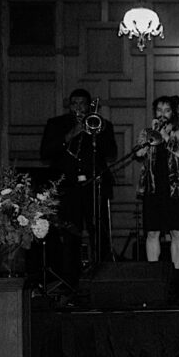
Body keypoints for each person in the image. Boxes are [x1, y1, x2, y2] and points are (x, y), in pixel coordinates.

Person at [39, 88, 117, 286]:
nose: (78, 108)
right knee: (70, 235)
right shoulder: (56, 124)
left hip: (94, 187)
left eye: (82, 104)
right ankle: (70, 282)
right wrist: (70, 135)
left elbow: (111, 153)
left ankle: (103, 279)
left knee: (99, 234)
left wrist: (96, 133)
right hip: (68, 188)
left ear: (89, 105)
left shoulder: (102, 125)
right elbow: (46, 153)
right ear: (69, 106)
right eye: (74, 104)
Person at [134, 96, 179, 302]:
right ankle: (154, 276)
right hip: (153, 190)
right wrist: (151, 137)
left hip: (174, 190)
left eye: (166, 110)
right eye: (159, 110)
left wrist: (166, 136)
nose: (162, 114)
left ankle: (177, 275)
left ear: (173, 114)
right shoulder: (146, 132)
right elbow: (139, 153)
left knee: (177, 232)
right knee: (152, 232)